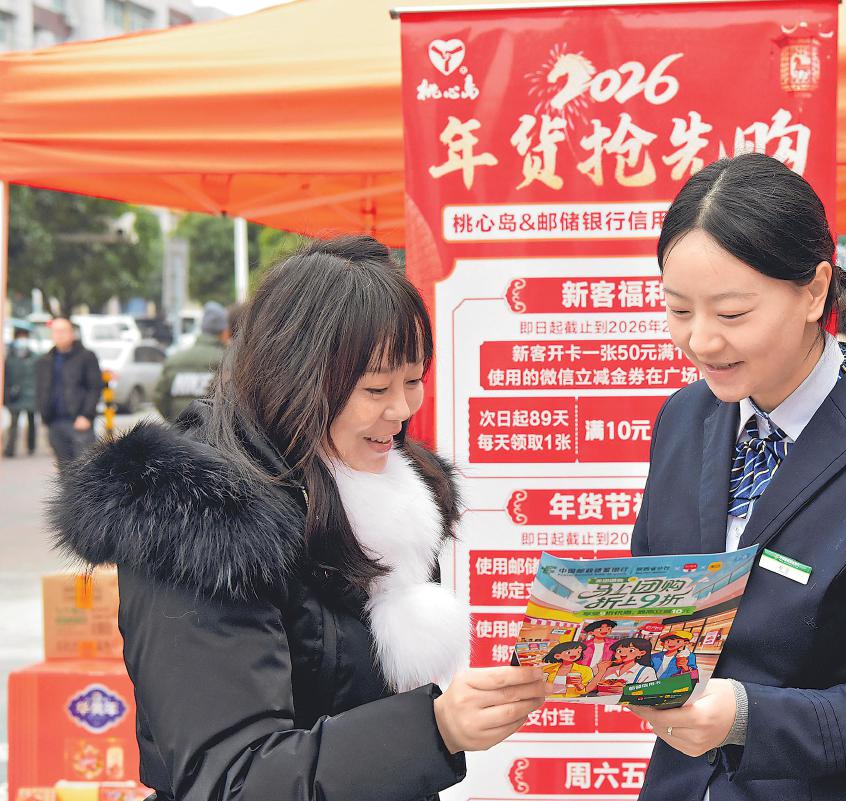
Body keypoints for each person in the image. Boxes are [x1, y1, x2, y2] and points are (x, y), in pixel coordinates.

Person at [49, 236, 545, 801]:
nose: (402, 409)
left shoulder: (376, 489)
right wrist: (435, 729)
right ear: (298, 379)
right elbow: (233, 779)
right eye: (376, 388)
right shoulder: (201, 528)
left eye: (413, 381)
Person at [626, 153, 846, 801]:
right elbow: (656, 598)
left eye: (732, 313)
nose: (701, 341)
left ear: (815, 291)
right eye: (678, 311)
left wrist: (746, 717)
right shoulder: (683, 418)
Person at [36, 317, 103, 467]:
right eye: (55, 331)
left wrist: (86, 415)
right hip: (55, 423)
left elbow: (95, 387)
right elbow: (41, 389)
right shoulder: (46, 360)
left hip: (79, 422)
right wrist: (44, 415)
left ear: (72, 333)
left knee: (85, 469)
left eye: (63, 331)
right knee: (64, 471)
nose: (59, 335)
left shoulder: (86, 356)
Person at [154, 301, 230, 423]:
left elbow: (160, 398)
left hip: (178, 431)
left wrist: (176, 422)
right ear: (224, 332)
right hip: (215, 432)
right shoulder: (228, 361)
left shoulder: (173, 361)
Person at [4, 328, 39, 457]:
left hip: (32, 395)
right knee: (14, 423)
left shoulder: (35, 357)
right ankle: (10, 449)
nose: (22, 340)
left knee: (32, 422)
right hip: (16, 396)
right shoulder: (10, 358)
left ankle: (31, 447)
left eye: (24, 337)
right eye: (20, 337)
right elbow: (6, 378)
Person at [586, 637, 657, 695]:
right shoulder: (610, 669)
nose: (623, 653)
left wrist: (626, 690)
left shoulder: (646, 671)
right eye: (619, 651)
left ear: (642, 653)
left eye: (631, 650)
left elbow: (650, 691)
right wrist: (601, 671)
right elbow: (590, 689)